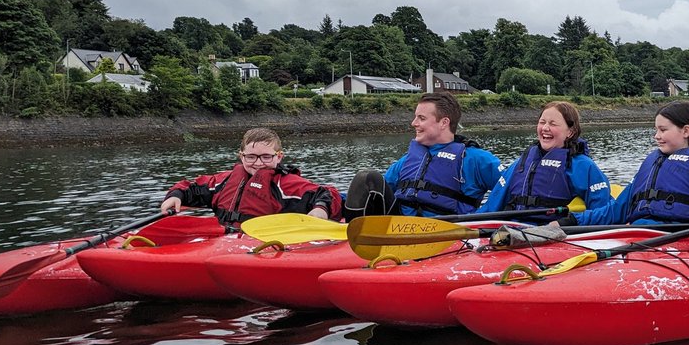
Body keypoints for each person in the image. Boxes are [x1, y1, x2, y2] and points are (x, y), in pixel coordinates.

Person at [555, 100, 689, 228]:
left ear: (685, 131)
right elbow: (615, 210)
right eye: (655, 130)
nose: (656, 136)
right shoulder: (651, 165)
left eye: (663, 130)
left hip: (681, 238)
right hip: (640, 238)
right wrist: (572, 221)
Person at [344, 91, 502, 218]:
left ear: (443, 123)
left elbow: (510, 189)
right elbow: (373, 194)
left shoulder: (477, 159)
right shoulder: (407, 161)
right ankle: (354, 241)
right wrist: (328, 200)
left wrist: (482, 216)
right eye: (415, 117)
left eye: (421, 118)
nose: (414, 123)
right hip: (400, 230)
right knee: (366, 179)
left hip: (448, 232)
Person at [160, 127, 342, 226]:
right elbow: (192, 188)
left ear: (279, 157)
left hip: (266, 243)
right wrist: (175, 196)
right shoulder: (225, 180)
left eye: (266, 157)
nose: (258, 163)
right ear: (242, 156)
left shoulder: (285, 183)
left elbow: (325, 194)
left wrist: (320, 210)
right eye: (251, 157)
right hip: (226, 239)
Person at [479, 100, 613, 215]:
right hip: (516, 228)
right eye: (542, 122)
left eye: (553, 124)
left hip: (556, 232)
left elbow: (602, 211)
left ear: (570, 132)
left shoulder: (583, 166)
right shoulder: (522, 162)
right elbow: (491, 206)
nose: (545, 128)